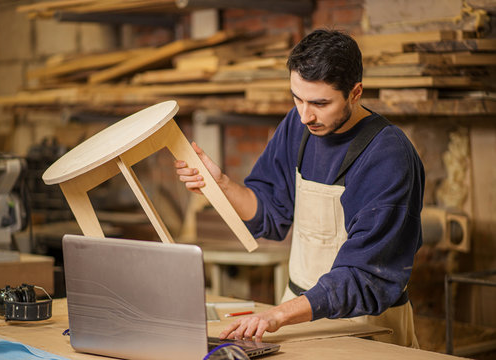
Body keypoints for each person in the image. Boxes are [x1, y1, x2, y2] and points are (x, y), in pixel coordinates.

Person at [175, 29, 424, 348]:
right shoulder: (298, 125)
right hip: (297, 315)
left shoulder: (388, 156)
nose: (306, 115)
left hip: (367, 325)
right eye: (297, 98)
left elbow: (365, 276)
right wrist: (220, 184)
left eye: (320, 103)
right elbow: (268, 212)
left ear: (355, 92)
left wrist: (278, 316)